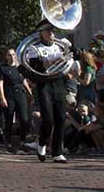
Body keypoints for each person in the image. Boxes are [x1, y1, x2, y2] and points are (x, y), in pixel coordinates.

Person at [23, 19, 72, 163]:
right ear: (41, 33)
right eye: (48, 31)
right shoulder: (34, 48)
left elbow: (72, 58)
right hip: (44, 85)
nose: (51, 34)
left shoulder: (59, 46)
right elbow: (36, 69)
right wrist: (53, 59)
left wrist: (71, 47)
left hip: (58, 83)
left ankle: (57, 151)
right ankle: (42, 142)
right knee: (48, 120)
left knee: (61, 119)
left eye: (52, 31)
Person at [0, 48, 31, 152]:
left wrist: (30, 93)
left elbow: (23, 81)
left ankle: (22, 142)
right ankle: (9, 143)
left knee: (24, 119)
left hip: (20, 94)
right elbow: (0, 83)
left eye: (13, 55)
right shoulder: (3, 68)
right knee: (9, 120)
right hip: (9, 95)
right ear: (6, 57)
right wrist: (2, 97)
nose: (12, 57)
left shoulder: (19, 68)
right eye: (9, 55)